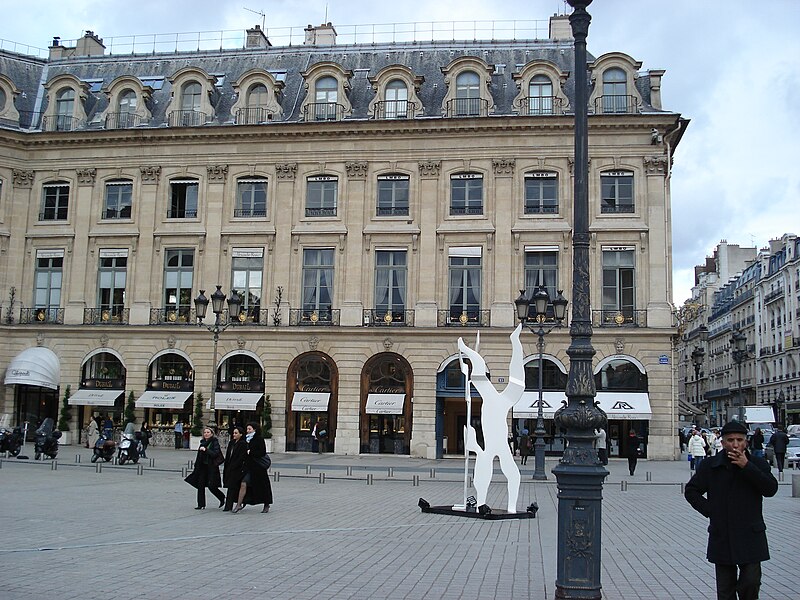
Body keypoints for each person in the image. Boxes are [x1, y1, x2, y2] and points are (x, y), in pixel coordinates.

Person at [685, 420, 778, 600]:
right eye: (730, 440)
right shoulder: (711, 465)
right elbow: (691, 491)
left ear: (746, 442)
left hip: (751, 534)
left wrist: (747, 467)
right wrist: (710, 510)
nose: (735, 444)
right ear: (722, 442)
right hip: (722, 534)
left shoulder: (758, 463)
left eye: (739, 440)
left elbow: (770, 489)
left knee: (751, 582)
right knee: (725, 589)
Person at [232, 422, 273, 514]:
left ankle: (266, 504)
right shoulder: (245, 439)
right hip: (248, 467)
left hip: (258, 467)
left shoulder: (259, 439)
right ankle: (239, 504)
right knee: (243, 483)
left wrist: (251, 452)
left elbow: (262, 452)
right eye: (247, 429)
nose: (248, 431)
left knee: (263, 486)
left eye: (249, 429)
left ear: (254, 429)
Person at [184, 427, 225, 510]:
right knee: (200, 485)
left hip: (211, 467)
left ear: (212, 434)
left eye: (208, 432)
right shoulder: (202, 442)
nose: (206, 434)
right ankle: (201, 504)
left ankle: (222, 497)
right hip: (202, 467)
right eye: (205, 432)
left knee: (211, 485)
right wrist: (196, 465)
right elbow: (199, 455)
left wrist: (206, 450)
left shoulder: (214, 442)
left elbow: (215, 454)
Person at [223, 425, 247, 511]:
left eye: (236, 433)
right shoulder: (231, 442)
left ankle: (229, 506)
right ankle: (231, 504)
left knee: (232, 487)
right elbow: (228, 455)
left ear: (241, 434)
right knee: (231, 486)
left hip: (237, 468)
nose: (234, 434)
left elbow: (241, 457)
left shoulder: (243, 444)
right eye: (233, 433)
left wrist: (235, 465)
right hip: (229, 466)